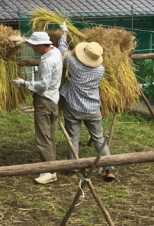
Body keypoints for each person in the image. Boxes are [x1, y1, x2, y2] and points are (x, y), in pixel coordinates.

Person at [57, 27, 114, 181]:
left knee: (73, 139)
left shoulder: (74, 64)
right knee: (99, 139)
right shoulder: (100, 69)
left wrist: (64, 34)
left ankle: (73, 171)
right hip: (93, 109)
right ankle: (109, 169)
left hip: (74, 108)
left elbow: (62, 50)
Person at [15, 29, 62, 184]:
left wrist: (24, 83)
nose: (34, 49)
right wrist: (23, 40)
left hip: (44, 101)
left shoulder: (48, 62)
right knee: (50, 136)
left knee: (42, 138)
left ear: (43, 45)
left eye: (35, 46)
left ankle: (49, 172)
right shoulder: (55, 52)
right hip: (53, 100)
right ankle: (51, 167)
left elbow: (42, 85)